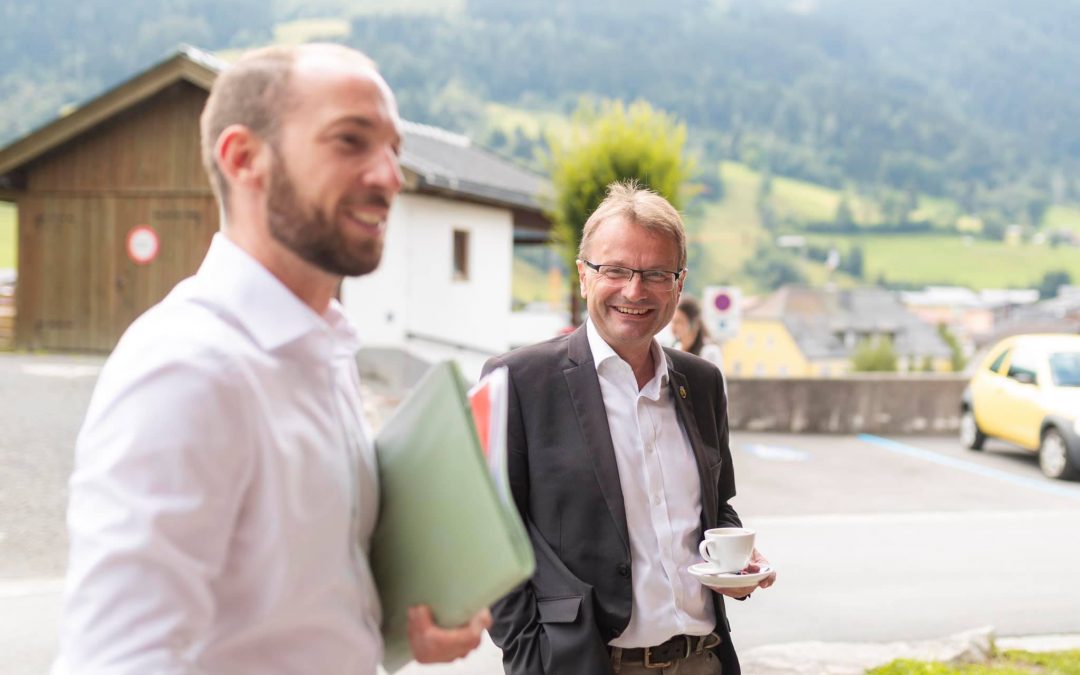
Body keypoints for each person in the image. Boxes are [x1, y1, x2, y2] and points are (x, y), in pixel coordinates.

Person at [53, 44, 489, 674]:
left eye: (393, 148)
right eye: (350, 141)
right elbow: (119, 659)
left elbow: (299, 603)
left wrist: (403, 623)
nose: (389, 175)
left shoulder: (322, 349)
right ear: (243, 157)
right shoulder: (187, 367)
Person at [483, 181, 774, 675]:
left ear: (679, 284)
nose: (634, 292)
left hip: (702, 660)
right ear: (583, 276)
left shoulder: (701, 382)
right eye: (615, 270)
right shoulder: (518, 382)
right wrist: (530, 654)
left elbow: (717, 506)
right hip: (586, 664)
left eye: (656, 274)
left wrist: (734, 562)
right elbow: (487, 537)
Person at [671, 296, 724, 371]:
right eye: (673, 321)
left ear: (693, 324)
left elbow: (718, 381)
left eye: (679, 321)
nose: (674, 326)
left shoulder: (710, 351)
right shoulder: (675, 348)